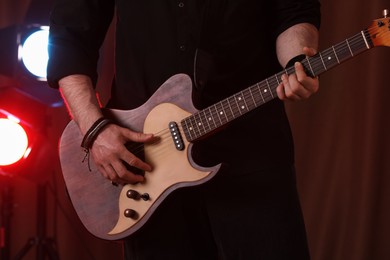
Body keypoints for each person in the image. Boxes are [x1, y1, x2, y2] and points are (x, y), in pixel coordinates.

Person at [47, 0, 321, 259]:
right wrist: (95, 129)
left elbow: (294, 10)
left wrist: (296, 61)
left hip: (251, 151)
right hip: (148, 164)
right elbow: (68, 37)